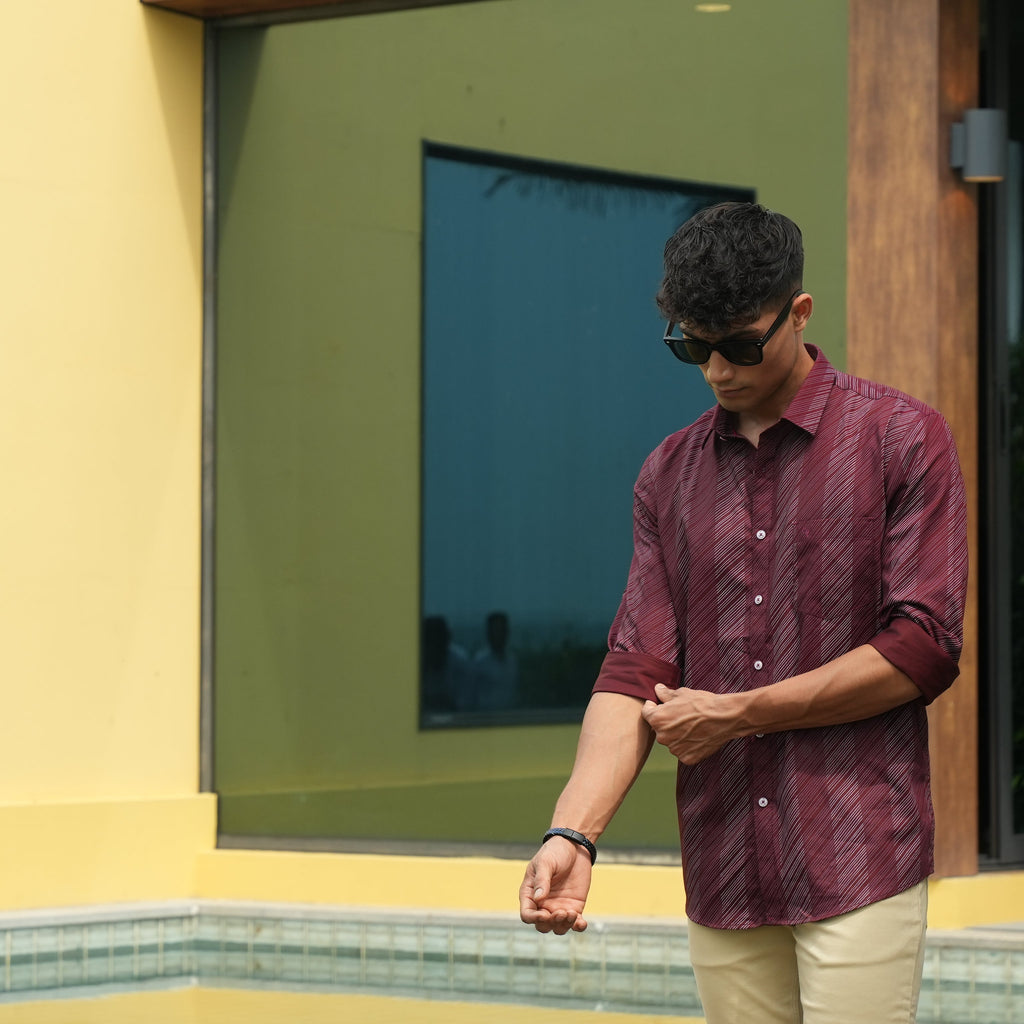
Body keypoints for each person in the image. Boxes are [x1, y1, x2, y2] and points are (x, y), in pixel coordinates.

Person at [517, 202, 967, 1024]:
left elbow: (922, 646)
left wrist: (739, 715)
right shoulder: (667, 475)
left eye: (739, 344)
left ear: (798, 314)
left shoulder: (903, 439)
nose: (718, 369)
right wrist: (571, 834)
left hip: (856, 849)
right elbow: (635, 669)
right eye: (692, 346)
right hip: (724, 860)